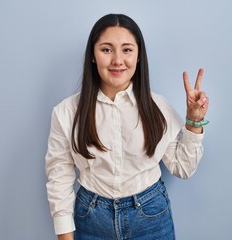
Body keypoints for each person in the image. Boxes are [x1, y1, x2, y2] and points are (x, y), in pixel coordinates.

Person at [45, 13, 209, 240]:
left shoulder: (158, 107)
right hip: (91, 220)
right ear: (93, 55)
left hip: (151, 218)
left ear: (139, 56)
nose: (117, 60)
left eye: (127, 50)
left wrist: (193, 121)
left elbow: (183, 168)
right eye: (106, 49)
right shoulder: (66, 112)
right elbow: (59, 176)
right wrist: (64, 234)